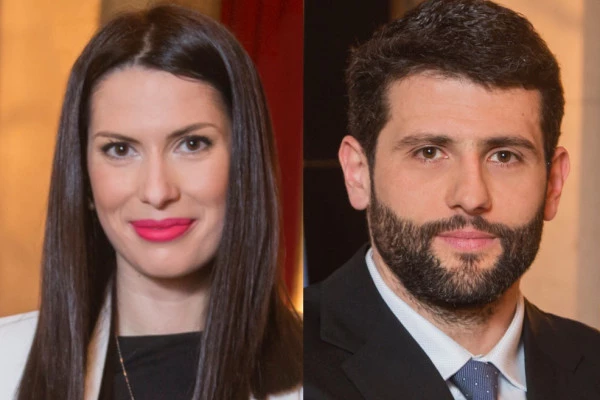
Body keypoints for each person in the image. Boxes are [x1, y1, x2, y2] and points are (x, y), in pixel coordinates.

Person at [0, 5, 302, 400]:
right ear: (83, 177)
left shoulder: (323, 375)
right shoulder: (5, 364)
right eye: (120, 149)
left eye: (192, 144)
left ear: (245, 162)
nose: (157, 191)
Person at [304, 0, 600, 399]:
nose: (472, 196)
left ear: (553, 183)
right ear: (358, 173)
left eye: (504, 156)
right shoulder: (271, 366)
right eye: (429, 152)